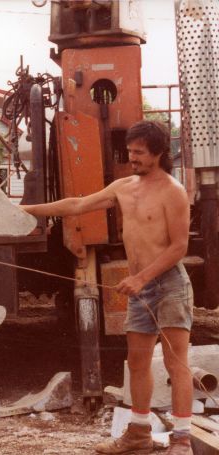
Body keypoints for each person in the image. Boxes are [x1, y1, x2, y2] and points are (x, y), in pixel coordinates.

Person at [21, 120, 193, 455]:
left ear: (158, 153)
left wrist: (141, 278)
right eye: (130, 151)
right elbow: (76, 205)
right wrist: (25, 211)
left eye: (139, 152)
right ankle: (139, 434)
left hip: (169, 284)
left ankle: (182, 440)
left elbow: (179, 247)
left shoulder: (174, 191)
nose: (132, 158)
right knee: (137, 362)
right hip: (140, 290)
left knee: (177, 363)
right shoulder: (124, 187)